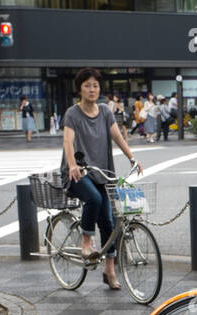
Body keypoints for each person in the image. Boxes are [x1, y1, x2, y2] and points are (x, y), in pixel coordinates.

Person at [61, 67, 143, 290]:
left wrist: (132, 158)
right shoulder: (72, 114)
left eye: (95, 85)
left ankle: (110, 270)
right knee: (94, 200)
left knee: (108, 221)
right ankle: (86, 241)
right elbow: (68, 141)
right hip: (78, 172)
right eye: (87, 85)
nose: (92, 89)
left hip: (102, 172)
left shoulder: (105, 111)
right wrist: (71, 164)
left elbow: (116, 135)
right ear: (80, 88)